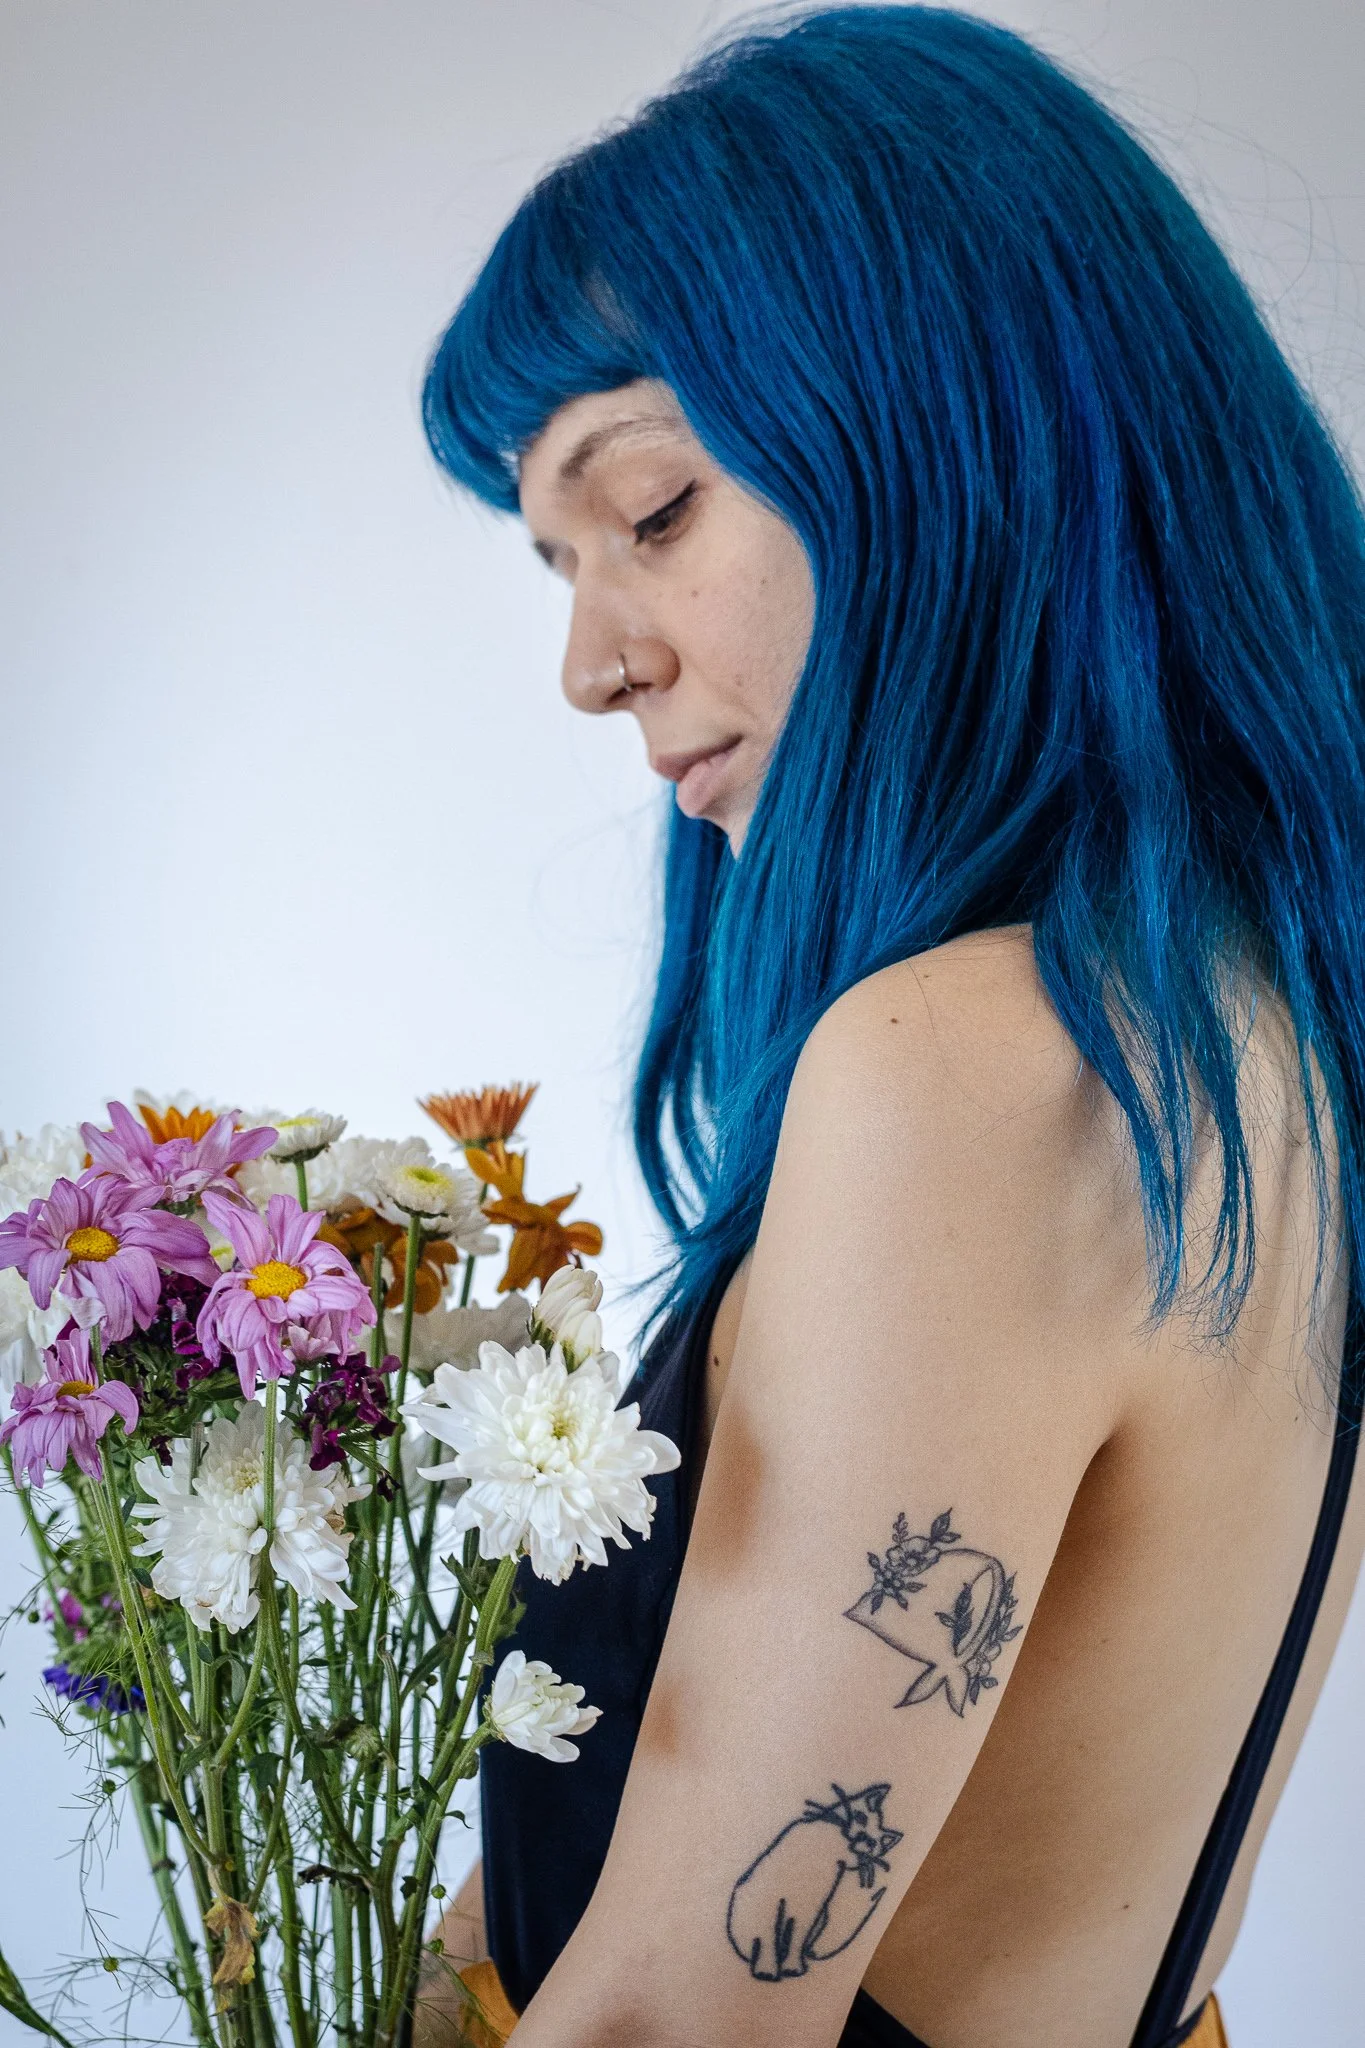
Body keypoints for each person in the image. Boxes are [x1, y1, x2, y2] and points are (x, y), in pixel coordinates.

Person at [413, 9, 1365, 2045]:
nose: (592, 661)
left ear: (944, 434)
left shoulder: (972, 1074)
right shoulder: (1233, 1036)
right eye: (555, 565)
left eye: (651, 510)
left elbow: (683, 2019)